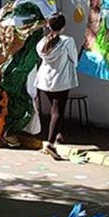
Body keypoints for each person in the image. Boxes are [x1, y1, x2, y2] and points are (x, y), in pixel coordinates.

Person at [34, 13, 79, 160]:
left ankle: (58, 135)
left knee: (54, 110)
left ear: (49, 25)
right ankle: (51, 144)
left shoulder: (42, 43)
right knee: (57, 112)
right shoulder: (67, 41)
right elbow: (74, 60)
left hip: (44, 80)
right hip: (61, 80)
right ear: (63, 26)